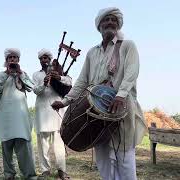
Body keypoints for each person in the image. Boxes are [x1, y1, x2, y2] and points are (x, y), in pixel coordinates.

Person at [51, 7, 147, 180]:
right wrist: (65, 101)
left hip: (121, 109)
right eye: (106, 19)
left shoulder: (127, 46)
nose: (110, 22)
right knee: (103, 160)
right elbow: (82, 81)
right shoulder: (92, 52)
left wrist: (120, 95)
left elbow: (132, 72)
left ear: (118, 24)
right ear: (99, 25)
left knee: (124, 158)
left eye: (113, 19)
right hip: (96, 112)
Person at [0, 48, 37, 180]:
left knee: (24, 147)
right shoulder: (1, 75)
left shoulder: (23, 74)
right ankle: (9, 175)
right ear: (6, 61)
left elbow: (31, 87)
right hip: (5, 117)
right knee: (6, 148)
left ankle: (30, 175)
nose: (12, 59)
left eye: (15, 58)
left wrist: (20, 73)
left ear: (18, 60)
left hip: (20, 118)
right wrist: (7, 73)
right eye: (10, 58)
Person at [32, 49, 71, 179]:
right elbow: (36, 91)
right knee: (43, 143)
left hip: (56, 109)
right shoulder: (36, 75)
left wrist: (58, 77)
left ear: (50, 59)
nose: (44, 60)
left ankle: (62, 170)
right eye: (42, 58)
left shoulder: (58, 70)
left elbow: (69, 82)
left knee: (59, 142)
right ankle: (45, 170)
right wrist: (43, 83)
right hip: (42, 110)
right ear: (39, 60)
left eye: (46, 58)